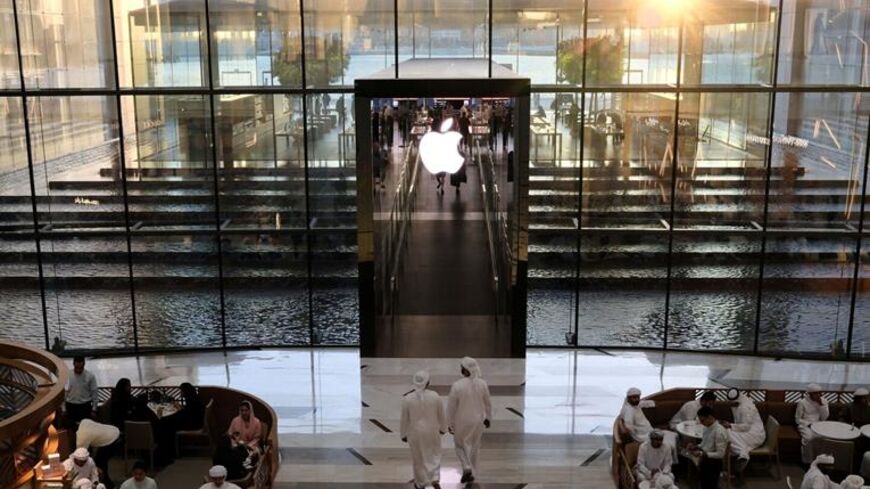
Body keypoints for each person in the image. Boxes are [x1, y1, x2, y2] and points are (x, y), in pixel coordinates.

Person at [447, 357, 492, 484]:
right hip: (478, 420)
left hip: (462, 420)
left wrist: (449, 423)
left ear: (465, 370)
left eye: (462, 367)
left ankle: (466, 466)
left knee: (459, 445)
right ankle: (472, 473)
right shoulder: (483, 384)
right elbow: (488, 403)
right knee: (474, 447)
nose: (460, 369)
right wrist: (488, 418)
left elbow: (451, 407)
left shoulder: (457, 385)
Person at [400, 370, 447, 489]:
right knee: (434, 454)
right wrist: (443, 428)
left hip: (415, 433)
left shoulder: (408, 398)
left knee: (418, 458)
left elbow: (404, 419)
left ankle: (421, 483)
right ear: (428, 382)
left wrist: (403, 434)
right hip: (432, 431)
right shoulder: (435, 396)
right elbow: (441, 414)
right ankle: (434, 478)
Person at [722, 389, 765, 484]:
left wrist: (730, 425)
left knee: (726, 434)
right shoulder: (742, 401)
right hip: (747, 432)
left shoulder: (745, 407)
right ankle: (742, 455)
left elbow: (746, 427)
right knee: (726, 434)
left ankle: (742, 454)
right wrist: (730, 425)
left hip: (754, 435)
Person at [619, 388, 677, 456]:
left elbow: (643, 403)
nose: (637, 399)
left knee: (673, 435)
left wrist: (653, 403)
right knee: (668, 444)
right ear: (629, 398)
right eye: (634, 398)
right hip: (642, 436)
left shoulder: (634, 404)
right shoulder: (629, 411)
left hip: (649, 431)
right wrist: (638, 434)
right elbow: (629, 427)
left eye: (638, 397)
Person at [688, 406, 729, 489]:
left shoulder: (719, 432)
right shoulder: (707, 427)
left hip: (714, 463)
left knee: (709, 485)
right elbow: (704, 444)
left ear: (710, 417)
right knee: (703, 483)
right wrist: (695, 446)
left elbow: (720, 454)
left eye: (702, 420)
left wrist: (702, 454)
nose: (701, 423)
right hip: (705, 459)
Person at [797, 383, 830, 464]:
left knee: (823, 437)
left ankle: (820, 461)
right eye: (816, 393)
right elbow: (798, 419)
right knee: (809, 438)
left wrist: (821, 405)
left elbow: (824, 418)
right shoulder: (802, 402)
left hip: (819, 424)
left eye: (819, 393)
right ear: (810, 394)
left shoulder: (824, 401)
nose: (818, 395)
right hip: (805, 425)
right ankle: (808, 461)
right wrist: (808, 424)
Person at [66, 356, 98, 428]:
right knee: (71, 428)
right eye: (77, 368)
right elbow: (65, 392)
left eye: (81, 368)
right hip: (71, 406)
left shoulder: (90, 376)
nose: (79, 370)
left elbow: (94, 392)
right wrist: (63, 408)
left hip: (85, 406)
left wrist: (94, 409)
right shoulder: (68, 375)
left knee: (86, 428)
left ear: (84, 365)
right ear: (73, 364)